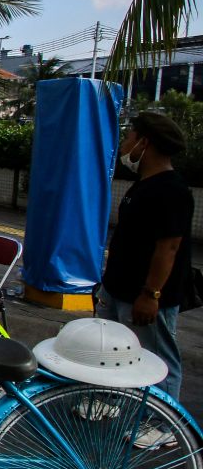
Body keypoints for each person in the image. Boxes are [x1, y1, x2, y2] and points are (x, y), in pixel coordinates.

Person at [97, 112, 193, 421]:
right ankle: (113, 400)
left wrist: (151, 294)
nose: (125, 145)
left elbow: (169, 247)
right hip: (118, 287)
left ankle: (162, 423)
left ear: (144, 143)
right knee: (114, 349)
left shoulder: (172, 190)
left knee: (158, 357)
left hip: (146, 294)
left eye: (128, 138)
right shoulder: (143, 185)